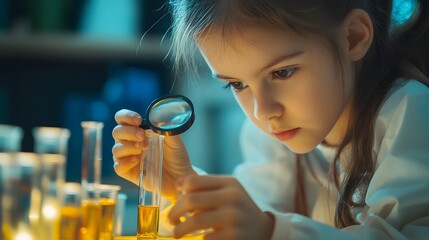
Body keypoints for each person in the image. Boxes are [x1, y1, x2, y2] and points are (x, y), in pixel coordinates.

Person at [112, 0, 429, 239]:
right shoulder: (273, 136)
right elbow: (248, 219)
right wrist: (185, 186)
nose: (263, 112)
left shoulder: (411, 114)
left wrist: (269, 232)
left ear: (353, 37)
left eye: (282, 72)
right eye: (238, 84)